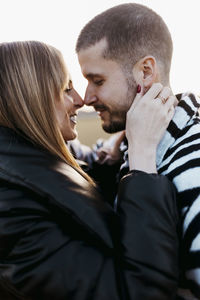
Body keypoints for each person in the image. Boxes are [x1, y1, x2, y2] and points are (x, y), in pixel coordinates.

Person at [0, 41, 179, 300]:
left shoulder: (31, 160)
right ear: (30, 98)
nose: (80, 100)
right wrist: (141, 155)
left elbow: (72, 197)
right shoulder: (10, 210)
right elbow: (141, 293)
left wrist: (115, 153)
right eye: (66, 89)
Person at [76, 3, 200, 299]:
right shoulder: (134, 141)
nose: (86, 97)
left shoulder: (193, 161)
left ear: (146, 72)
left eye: (98, 80)